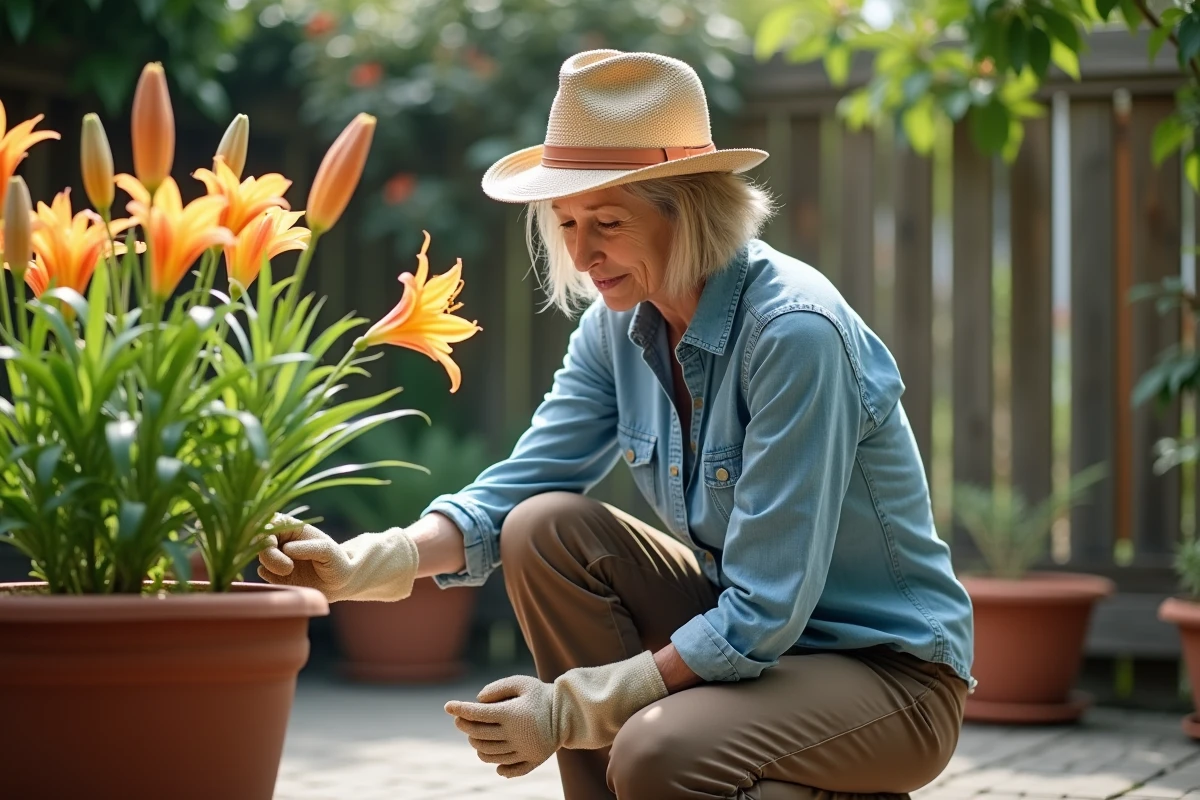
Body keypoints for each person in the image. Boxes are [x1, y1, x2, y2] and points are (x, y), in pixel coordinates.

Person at [257, 49, 975, 800]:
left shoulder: (794, 332)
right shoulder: (617, 328)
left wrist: (572, 709)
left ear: (690, 211)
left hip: (887, 679)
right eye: (566, 221)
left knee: (655, 753)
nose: (580, 251)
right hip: (754, 651)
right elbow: (523, 485)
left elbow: (765, 609)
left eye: (607, 221)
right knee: (543, 528)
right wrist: (366, 563)